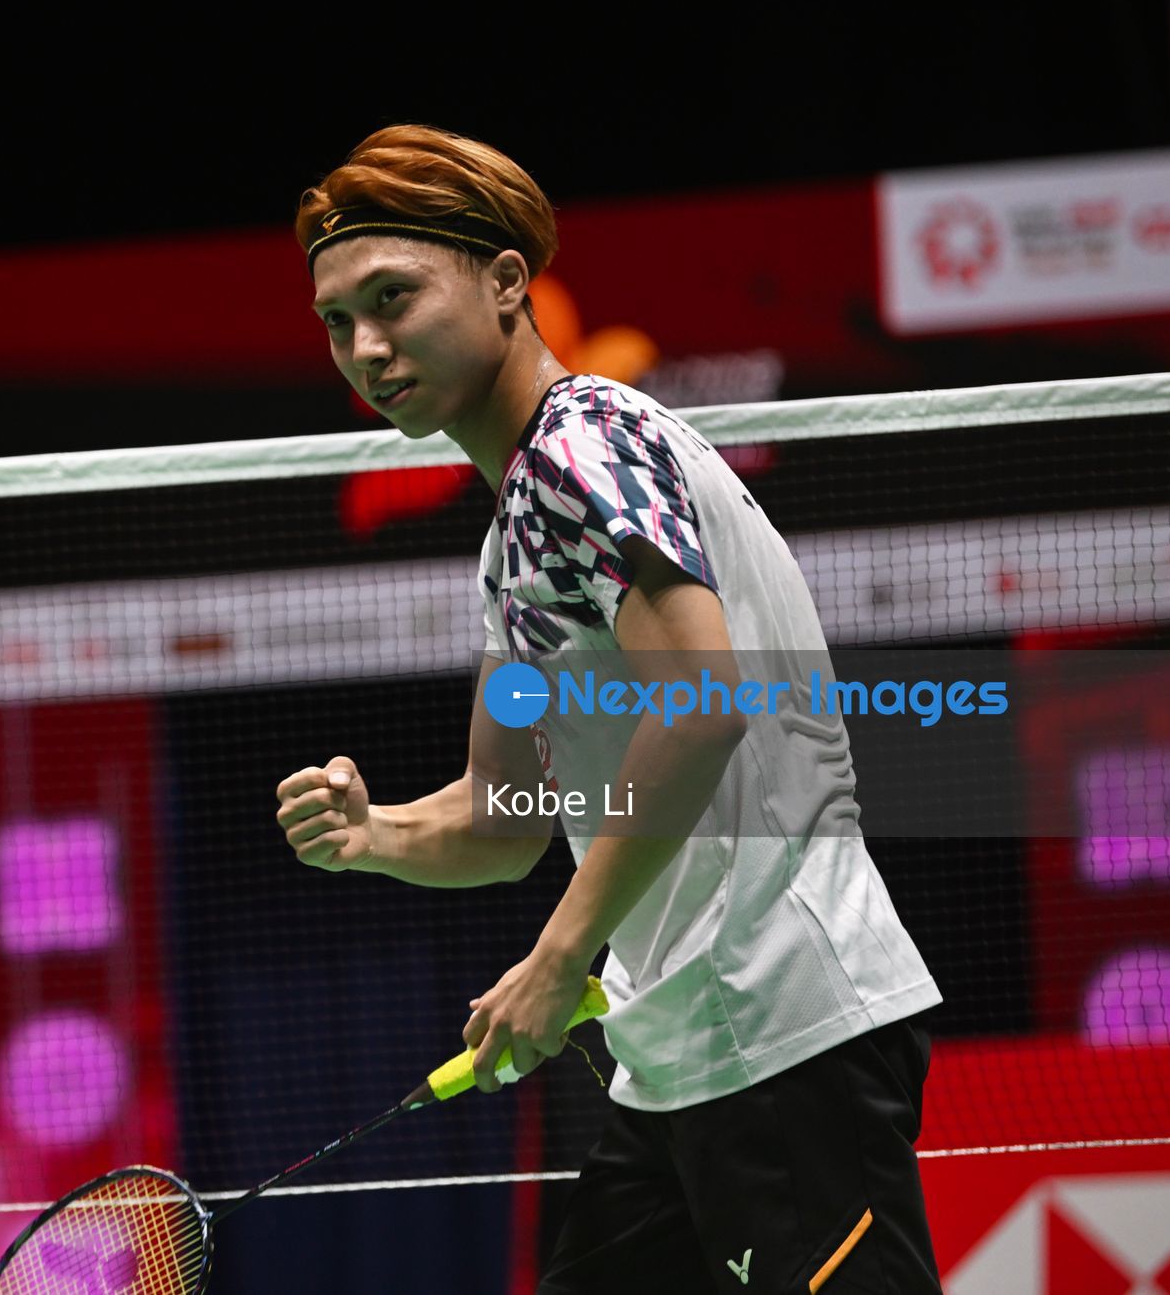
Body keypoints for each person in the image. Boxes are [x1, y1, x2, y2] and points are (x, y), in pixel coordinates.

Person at [274, 125, 946, 1293]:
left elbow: (702, 696)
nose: (365, 347)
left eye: (393, 297)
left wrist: (555, 955)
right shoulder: (514, 535)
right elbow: (505, 817)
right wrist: (374, 833)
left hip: (777, 1031)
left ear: (502, 281)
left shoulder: (585, 450)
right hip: (672, 1059)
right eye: (337, 321)